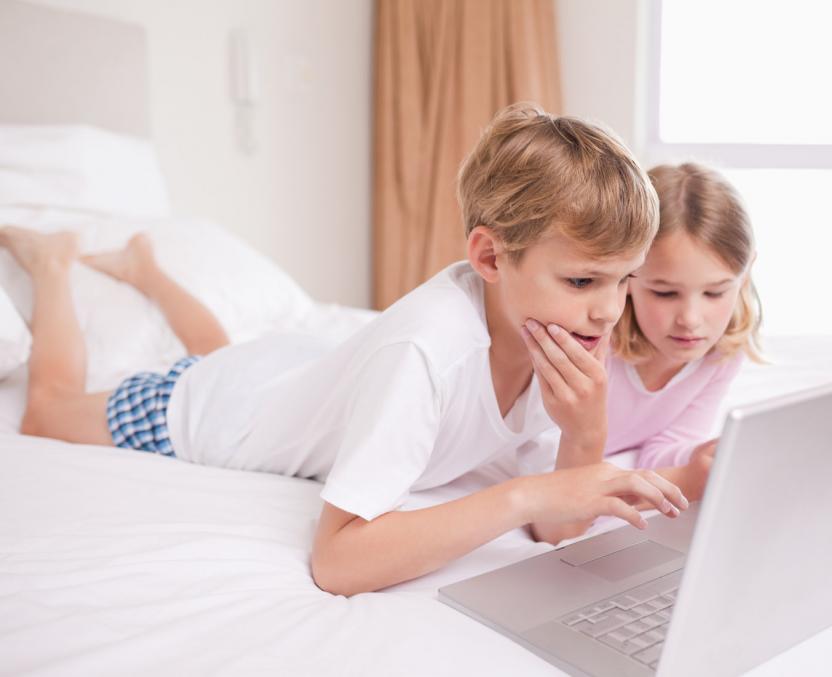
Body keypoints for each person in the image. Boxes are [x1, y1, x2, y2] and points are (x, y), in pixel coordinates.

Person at [1, 103, 689, 596]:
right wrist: (521, 494)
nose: (608, 308)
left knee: (228, 354)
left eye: (626, 279)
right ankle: (53, 263)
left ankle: (148, 270)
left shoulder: (558, 333)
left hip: (287, 370)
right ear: (488, 255)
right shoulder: (426, 349)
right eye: (582, 279)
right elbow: (338, 560)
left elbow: (557, 528)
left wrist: (587, 431)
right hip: (212, 408)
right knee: (59, 408)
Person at [604, 163, 764, 501]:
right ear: (626, 274)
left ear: (745, 274)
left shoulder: (721, 353)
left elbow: (662, 447)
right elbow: (546, 466)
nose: (690, 320)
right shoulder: (596, 343)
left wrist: (700, 457)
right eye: (665, 293)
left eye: (715, 293)